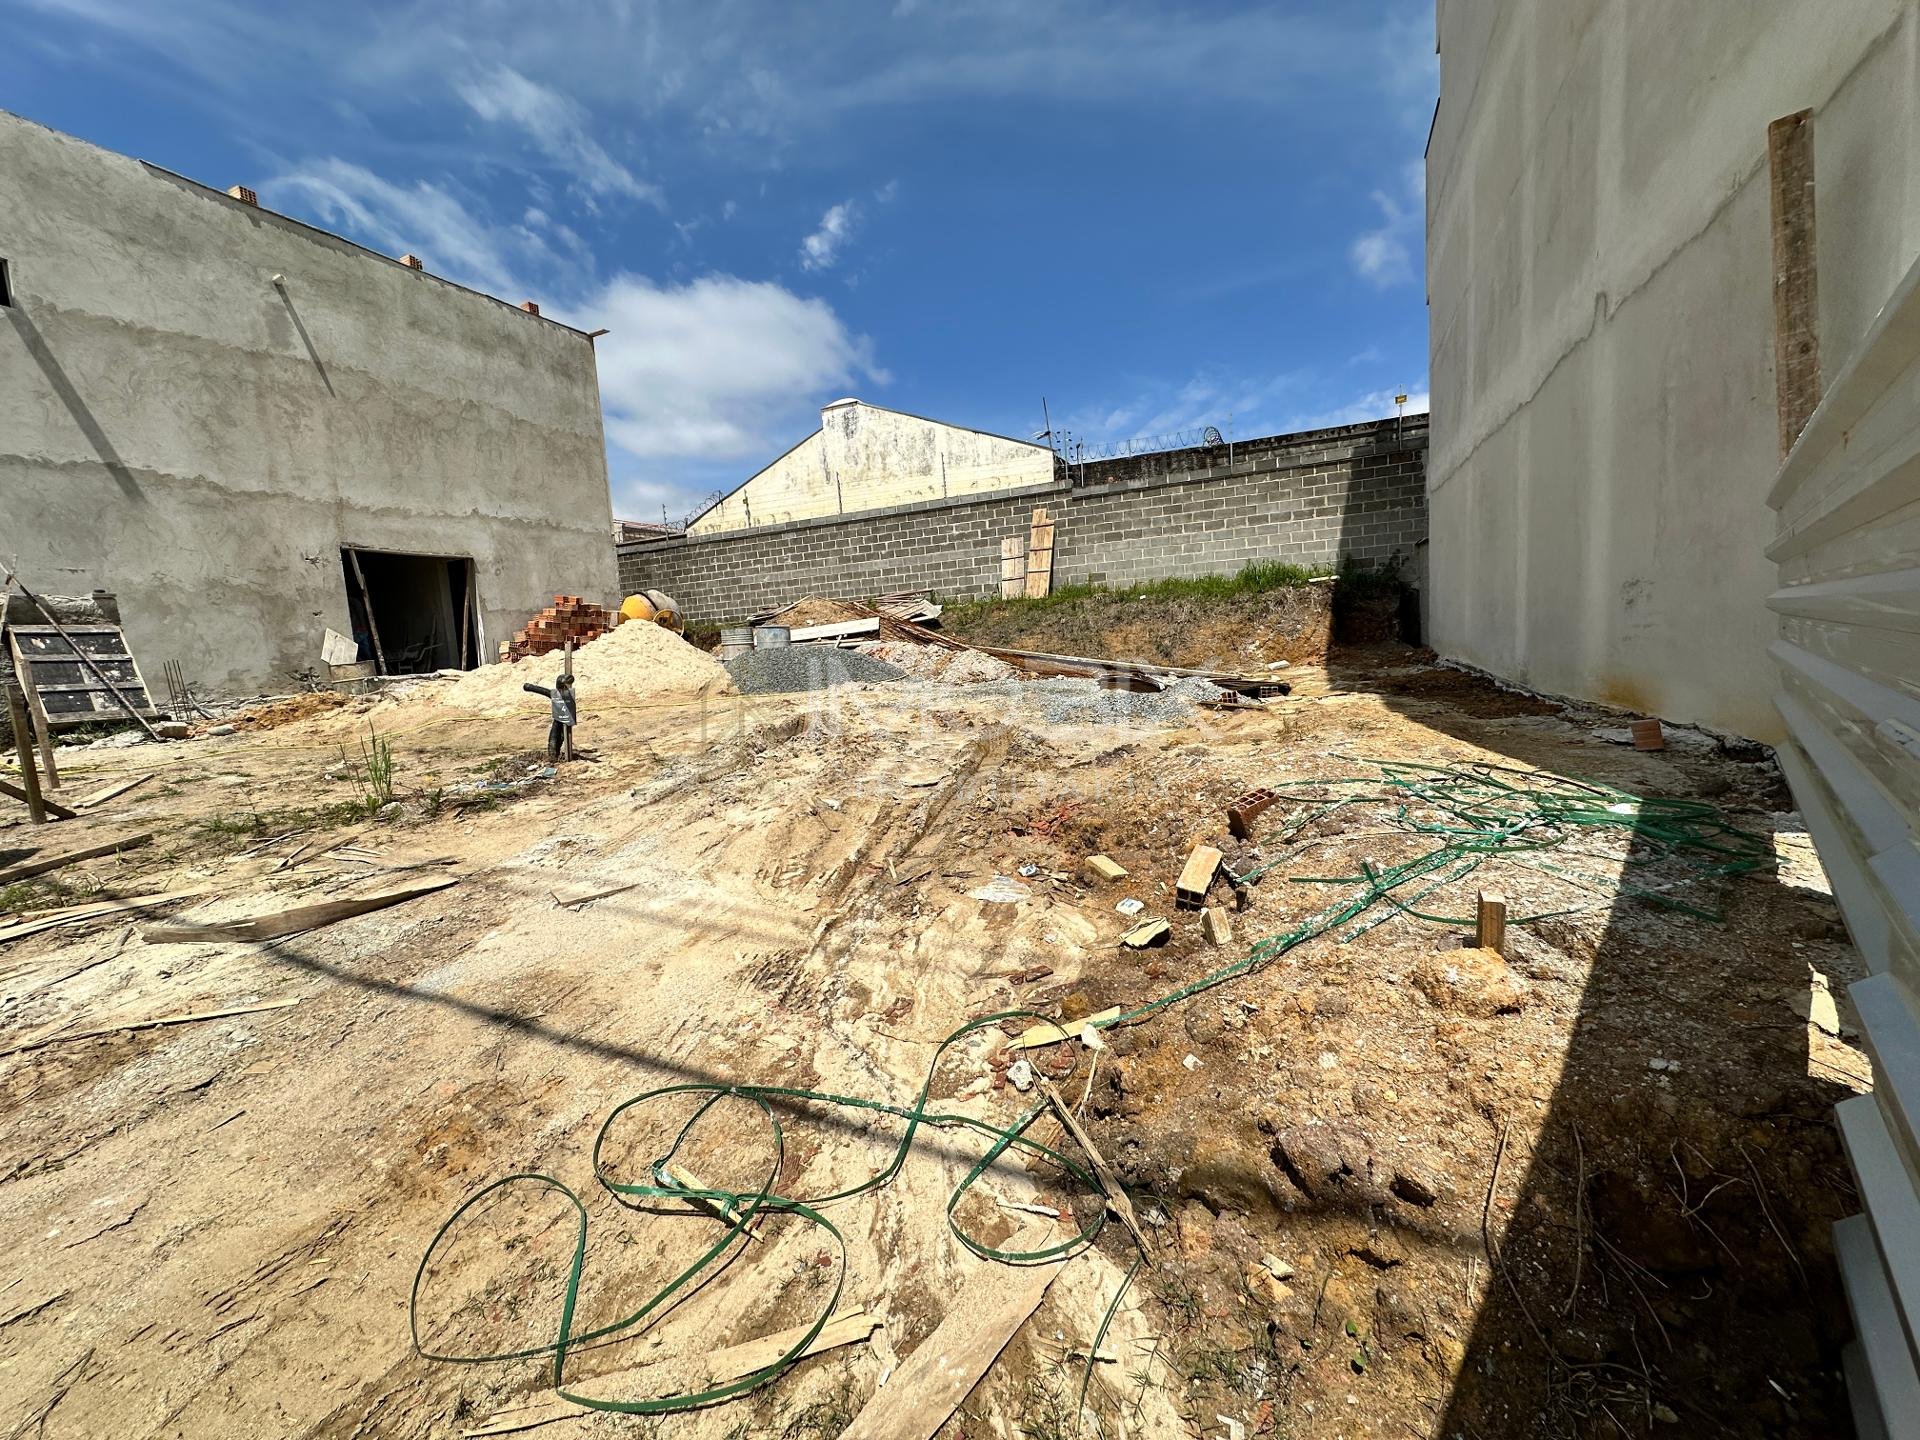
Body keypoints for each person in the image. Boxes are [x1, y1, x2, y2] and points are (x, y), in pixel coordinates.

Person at [522, 671, 577, 761]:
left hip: (565, 717)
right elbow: (542, 690)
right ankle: (553, 756)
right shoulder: (556, 694)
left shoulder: (567, 695)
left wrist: (529, 687)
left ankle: (554, 755)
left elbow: (543, 690)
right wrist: (529, 687)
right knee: (555, 736)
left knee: (560, 736)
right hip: (559, 717)